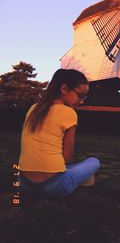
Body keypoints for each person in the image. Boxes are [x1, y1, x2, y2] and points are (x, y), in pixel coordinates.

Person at [18, 69, 100, 198]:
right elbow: (67, 157)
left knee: (69, 168)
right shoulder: (69, 113)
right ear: (64, 88)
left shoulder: (33, 108)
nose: (82, 101)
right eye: (80, 95)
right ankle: (81, 180)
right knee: (94, 161)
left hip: (23, 183)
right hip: (52, 186)